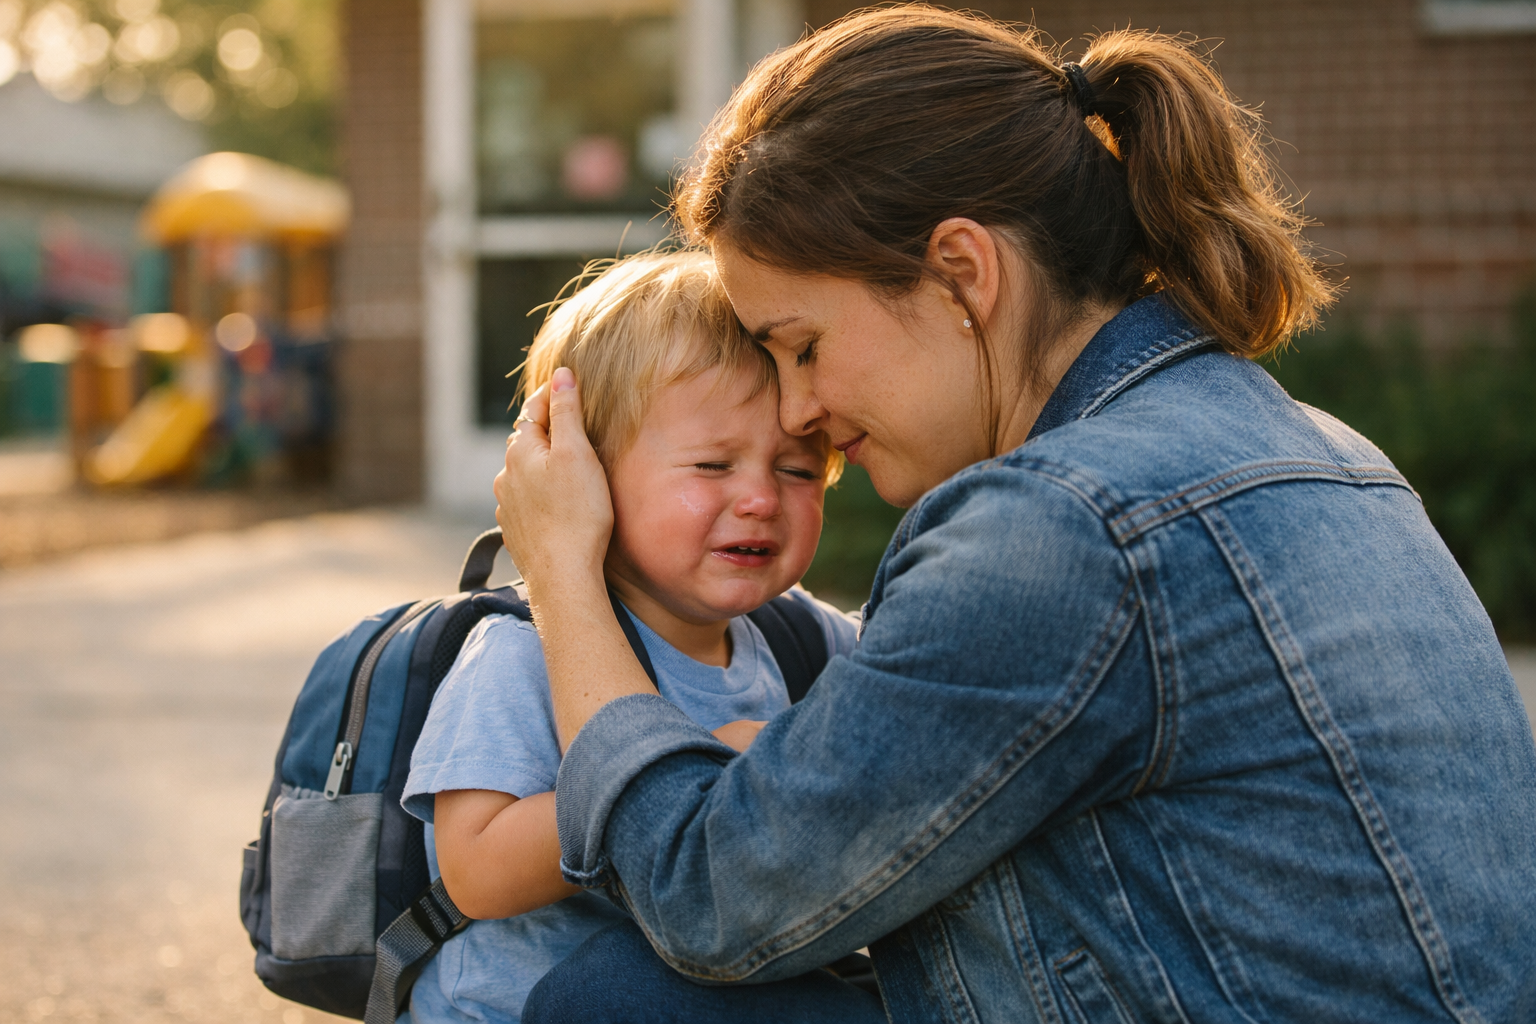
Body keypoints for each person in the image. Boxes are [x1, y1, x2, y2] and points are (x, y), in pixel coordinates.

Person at [500, 8, 1536, 1024]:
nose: (798, 407)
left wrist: (562, 572)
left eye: (803, 344)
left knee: (603, 997)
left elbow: (706, 895)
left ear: (962, 271)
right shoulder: (1321, 446)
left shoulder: (1058, 526)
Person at [398, 251, 877, 1023]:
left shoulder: (804, 643)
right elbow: (476, 870)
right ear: (580, 474)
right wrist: (693, 770)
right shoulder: (525, 650)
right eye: (713, 464)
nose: (758, 498)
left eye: (796, 468)